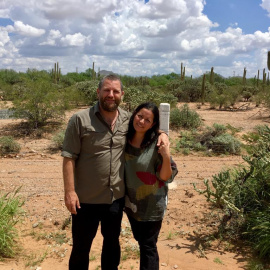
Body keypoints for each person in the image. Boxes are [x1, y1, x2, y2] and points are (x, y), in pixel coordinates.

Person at [61, 74, 169, 270]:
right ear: (98, 92)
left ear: (122, 95)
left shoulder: (129, 119)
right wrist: (70, 192)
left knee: (111, 245)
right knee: (81, 248)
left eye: (115, 91)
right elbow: (69, 157)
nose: (111, 95)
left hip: (115, 199)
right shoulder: (80, 119)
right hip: (85, 199)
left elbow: (148, 127)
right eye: (106, 90)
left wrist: (164, 135)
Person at [124, 102, 178, 270]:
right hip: (131, 204)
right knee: (143, 242)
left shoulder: (157, 144)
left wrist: (166, 156)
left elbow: (165, 177)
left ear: (153, 124)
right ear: (134, 115)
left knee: (148, 247)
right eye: (140, 116)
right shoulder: (124, 138)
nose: (141, 121)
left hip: (151, 206)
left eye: (148, 120)